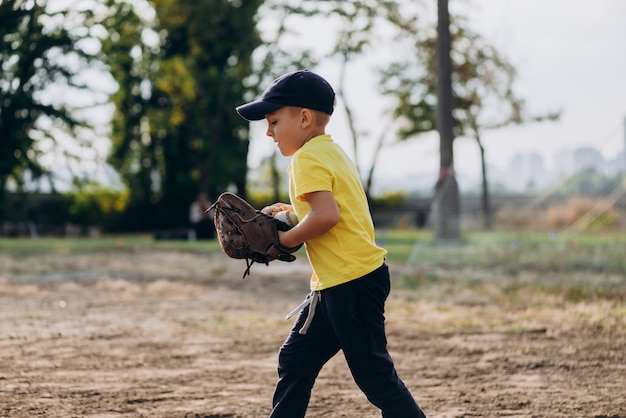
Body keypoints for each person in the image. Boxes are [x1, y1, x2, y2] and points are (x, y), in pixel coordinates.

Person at [236, 69, 427, 418]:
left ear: (304, 118)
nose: (268, 131)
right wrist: (294, 212)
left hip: (350, 283)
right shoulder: (331, 152)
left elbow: (326, 217)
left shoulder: (306, 159)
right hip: (337, 284)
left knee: (376, 378)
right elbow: (331, 207)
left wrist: (282, 240)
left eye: (274, 121)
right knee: (295, 359)